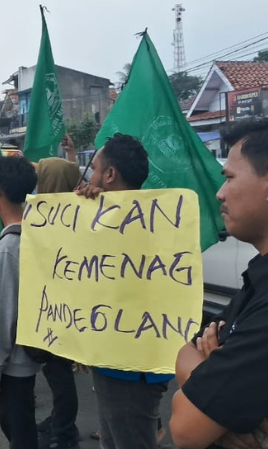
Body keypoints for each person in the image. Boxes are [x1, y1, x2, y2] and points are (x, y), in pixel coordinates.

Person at [170, 119, 268, 449]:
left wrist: (207, 381)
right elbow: (186, 350)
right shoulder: (258, 278)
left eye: (230, 178)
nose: (219, 193)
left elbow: (185, 429)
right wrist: (211, 376)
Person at [74, 134, 170, 449]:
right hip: (110, 358)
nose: (90, 177)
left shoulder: (151, 224)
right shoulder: (107, 220)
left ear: (110, 174)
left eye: (94, 169)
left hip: (132, 368)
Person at [0, 155, 40, 449]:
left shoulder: (8, 246)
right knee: (23, 427)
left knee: (19, 432)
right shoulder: (33, 232)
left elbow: (4, 313)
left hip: (14, 362)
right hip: (29, 354)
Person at [34, 157, 83, 449]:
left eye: (42, 177)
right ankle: (59, 420)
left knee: (60, 373)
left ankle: (64, 432)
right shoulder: (42, 213)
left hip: (66, 310)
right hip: (50, 305)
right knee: (54, 371)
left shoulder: (77, 215)